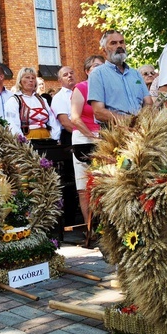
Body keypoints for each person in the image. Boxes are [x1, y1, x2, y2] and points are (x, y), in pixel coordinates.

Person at [70, 55, 105, 224]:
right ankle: (90, 228)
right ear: (87, 71)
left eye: (102, 66)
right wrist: (92, 136)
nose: (100, 70)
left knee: (104, 184)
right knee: (84, 187)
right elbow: (75, 118)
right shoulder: (81, 87)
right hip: (84, 140)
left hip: (105, 139)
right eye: (95, 66)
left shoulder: (107, 89)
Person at [88, 30, 152, 122]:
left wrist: (144, 122)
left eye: (121, 42)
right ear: (104, 50)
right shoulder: (97, 74)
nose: (119, 46)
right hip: (114, 133)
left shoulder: (135, 73)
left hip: (141, 131)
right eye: (113, 43)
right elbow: (98, 112)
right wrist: (130, 121)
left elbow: (148, 102)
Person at [4, 67, 60, 141]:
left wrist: (54, 138)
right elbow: (12, 124)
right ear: (20, 81)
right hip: (28, 140)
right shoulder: (14, 101)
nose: (31, 80)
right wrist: (22, 143)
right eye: (27, 77)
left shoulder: (42, 100)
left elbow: (53, 121)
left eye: (33, 78)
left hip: (47, 138)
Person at [50, 66, 77, 147]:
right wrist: (83, 133)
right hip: (71, 134)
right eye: (65, 75)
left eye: (71, 73)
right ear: (60, 81)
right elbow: (65, 122)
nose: (69, 75)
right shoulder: (59, 97)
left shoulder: (84, 91)